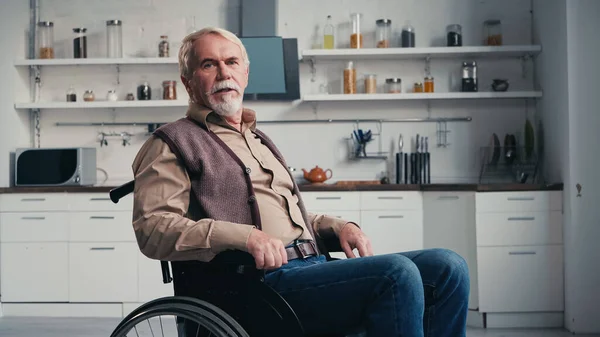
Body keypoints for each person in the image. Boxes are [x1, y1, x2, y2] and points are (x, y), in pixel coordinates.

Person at [131, 26, 469, 337]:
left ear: (245, 73)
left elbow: (284, 220)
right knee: (396, 273)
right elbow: (153, 229)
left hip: (312, 266)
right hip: (255, 285)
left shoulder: (257, 139)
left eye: (231, 61)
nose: (224, 73)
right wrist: (243, 236)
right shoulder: (171, 142)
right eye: (208, 64)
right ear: (188, 81)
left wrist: (336, 225)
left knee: (446, 267)